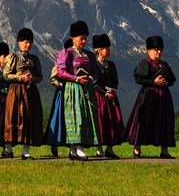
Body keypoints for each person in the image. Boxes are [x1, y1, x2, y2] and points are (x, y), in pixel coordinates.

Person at [125, 36, 177, 159]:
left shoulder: (165, 65)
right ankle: (137, 149)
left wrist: (166, 83)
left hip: (163, 98)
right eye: (155, 49)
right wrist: (154, 82)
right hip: (148, 97)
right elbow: (138, 79)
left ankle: (164, 151)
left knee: (164, 122)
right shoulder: (144, 63)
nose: (158, 52)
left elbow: (172, 80)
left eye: (160, 50)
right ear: (148, 51)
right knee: (142, 121)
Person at [56, 21, 100, 161]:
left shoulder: (90, 55)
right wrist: (75, 78)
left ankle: (74, 150)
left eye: (85, 38)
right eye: (80, 38)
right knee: (76, 117)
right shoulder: (66, 53)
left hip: (86, 89)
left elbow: (96, 71)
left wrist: (90, 78)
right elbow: (61, 72)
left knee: (86, 117)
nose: (83, 41)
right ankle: (78, 148)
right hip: (73, 89)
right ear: (73, 38)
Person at [3, 28, 43, 160]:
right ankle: (7, 149)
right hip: (16, 92)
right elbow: (6, 75)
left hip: (31, 93)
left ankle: (26, 151)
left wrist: (32, 78)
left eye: (30, 42)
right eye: (25, 42)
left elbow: (40, 76)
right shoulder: (12, 57)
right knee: (13, 118)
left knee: (29, 120)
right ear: (19, 43)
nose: (28, 45)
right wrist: (20, 77)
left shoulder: (34, 59)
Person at [92, 34, 124, 159]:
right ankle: (99, 149)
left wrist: (113, 90)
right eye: (106, 48)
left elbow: (115, 80)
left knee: (113, 122)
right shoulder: (93, 64)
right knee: (101, 121)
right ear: (99, 50)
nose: (109, 51)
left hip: (111, 97)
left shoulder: (111, 65)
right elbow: (94, 82)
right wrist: (104, 92)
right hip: (99, 96)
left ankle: (110, 149)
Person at [44, 38, 72, 157]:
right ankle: (54, 142)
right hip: (62, 93)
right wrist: (63, 85)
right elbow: (53, 79)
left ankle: (72, 147)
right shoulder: (60, 61)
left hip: (73, 93)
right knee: (58, 118)